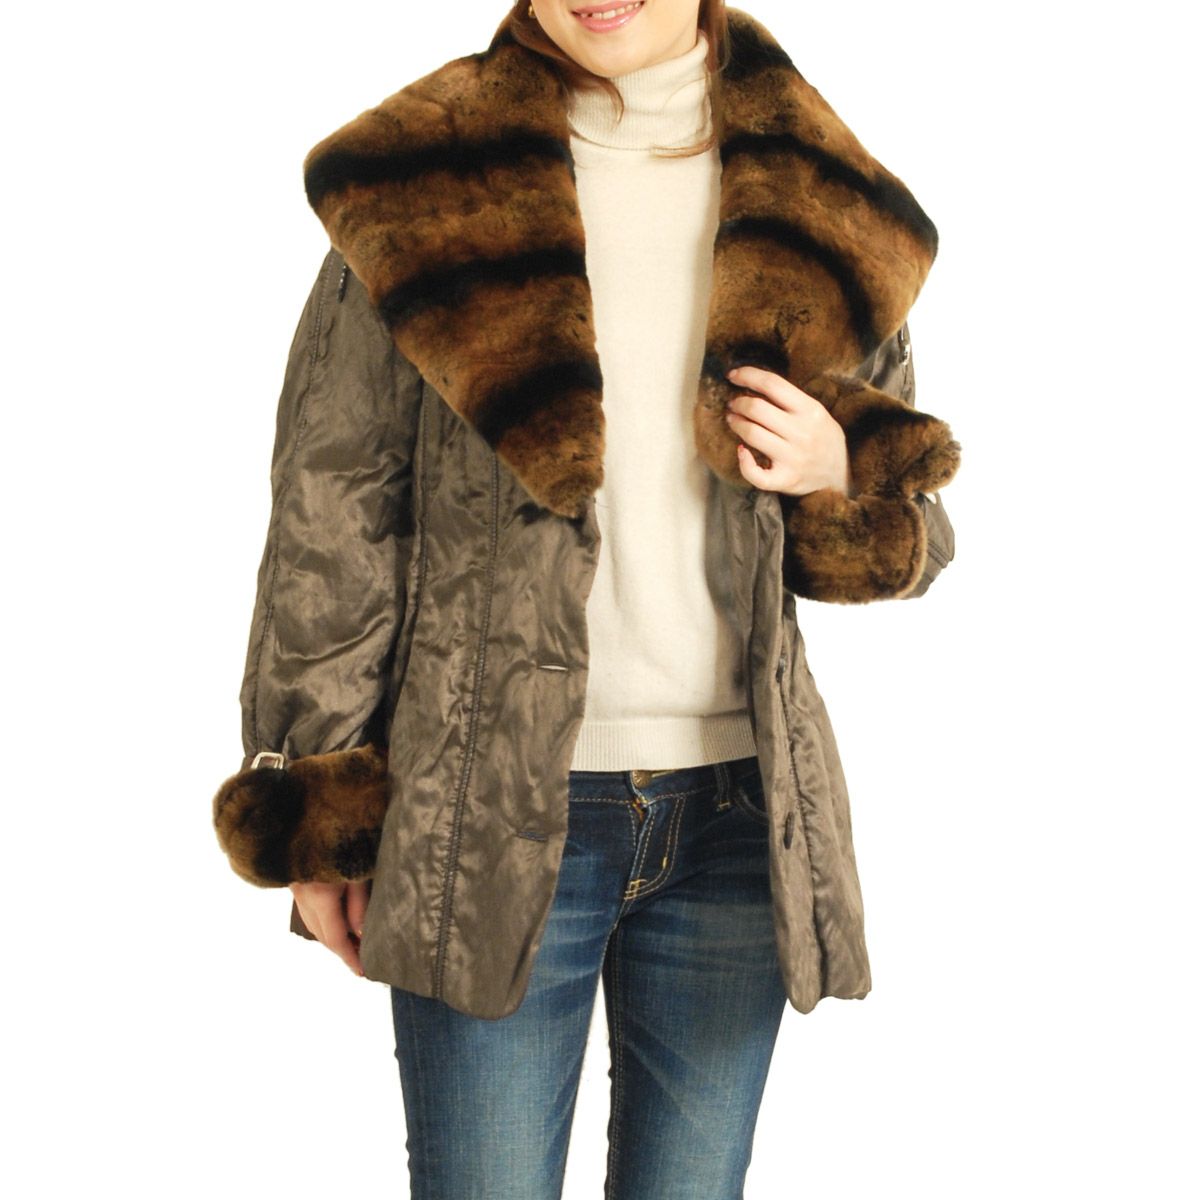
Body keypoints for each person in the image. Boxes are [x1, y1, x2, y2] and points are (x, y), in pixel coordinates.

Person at [212, 2, 959, 1195]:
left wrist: (836, 474)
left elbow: (908, 537)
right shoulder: (422, 182)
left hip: (739, 818)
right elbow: (333, 509)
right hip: (486, 810)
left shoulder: (820, 192)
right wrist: (319, 807)